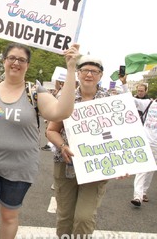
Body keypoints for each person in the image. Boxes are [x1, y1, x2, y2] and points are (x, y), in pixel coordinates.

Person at [0, 42, 78, 239]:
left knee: (9, 217)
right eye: (12, 58)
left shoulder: (35, 93)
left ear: (27, 64)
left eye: (22, 60)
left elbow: (63, 111)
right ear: (4, 61)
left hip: (19, 168)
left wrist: (71, 69)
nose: (16, 63)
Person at [46, 55, 115, 238]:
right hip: (66, 164)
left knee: (84, 217)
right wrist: (62, 146)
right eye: (85, 70)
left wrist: (122, 163)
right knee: (65, 217)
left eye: (94, 71)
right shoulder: (66, 97)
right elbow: (51, 130)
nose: (89, 74)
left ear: (100, 75)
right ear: (78, 73)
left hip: (96, 167)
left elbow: (118, 138)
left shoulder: (110, 101)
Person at [120, 76, 157, 207]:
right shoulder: (150, 104)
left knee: (151, 170)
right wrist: (124, 84)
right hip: (146, 141)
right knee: (143, 168)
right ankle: (138, 196)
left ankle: (144, 192)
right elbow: (130, 100)